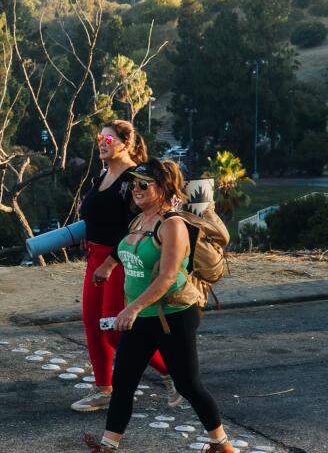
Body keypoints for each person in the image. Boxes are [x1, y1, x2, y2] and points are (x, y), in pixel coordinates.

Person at [84, 159, 233, 453]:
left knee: (189, 385)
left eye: (143, 184)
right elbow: (125, 247)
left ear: (163, 189)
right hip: (142, 316)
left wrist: (131, 308)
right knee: (123, 383)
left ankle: (222, 444)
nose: (135, 189)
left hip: (173, 316)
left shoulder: (173, 225)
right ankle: (107, 446)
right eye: (133, 184)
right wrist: (109, 265)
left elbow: (167, 277)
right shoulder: (138, 221)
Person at [72, 120, 176, 413]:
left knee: (114, 330)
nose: (102, 143)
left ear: (126, 144)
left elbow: (138, 224)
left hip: (120, 260)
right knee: (93, 325)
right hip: (95, 258)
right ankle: (103, 389)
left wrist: (110, 261)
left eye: (108, 138)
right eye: (99, 138)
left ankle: (172, 371)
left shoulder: (135, 178)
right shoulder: (102, 176)